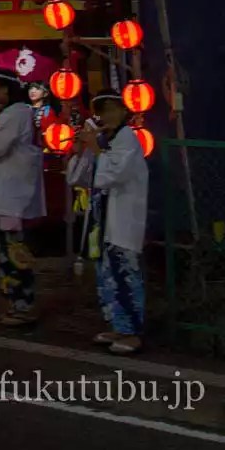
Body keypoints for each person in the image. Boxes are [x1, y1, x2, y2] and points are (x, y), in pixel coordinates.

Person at [0, 72, 45, 327]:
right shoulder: (19, 113)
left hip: (16, 193)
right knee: (12, 248)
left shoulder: (15, 113)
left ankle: (22, 305)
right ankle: (17, 302)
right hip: (14, 191)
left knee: (15, 251)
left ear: (6, 89)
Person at [80, 91, 148, 355]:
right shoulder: (107, 139)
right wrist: (82, 149)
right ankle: (118, 325)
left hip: (122, 220)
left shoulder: (128, 138)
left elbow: (113, 175)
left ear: (123, 111)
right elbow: (82, 175)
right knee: (108, 276)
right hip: (105, 221)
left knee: (127, 275)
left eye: (111, 109)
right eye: (102, 111)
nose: (107, 116)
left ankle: (133, 331)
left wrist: (96, 149)